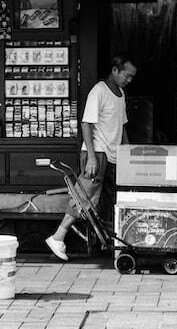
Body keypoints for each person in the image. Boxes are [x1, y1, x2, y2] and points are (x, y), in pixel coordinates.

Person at [46, 55, 137, 261]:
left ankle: (115, 244)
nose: (129, 80)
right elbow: (86, 124)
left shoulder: (120, 94)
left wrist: (127, 152)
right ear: (115, 70)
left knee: (106, 200)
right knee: (85, 196)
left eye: (132, 77)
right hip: (97, 153)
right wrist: (92, 158)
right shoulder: (99, 91)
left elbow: (121, 127)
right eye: (127, 75)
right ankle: (58, 237)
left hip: (113, 155)